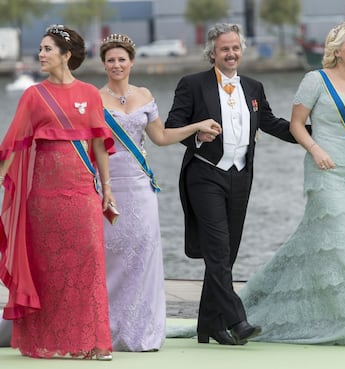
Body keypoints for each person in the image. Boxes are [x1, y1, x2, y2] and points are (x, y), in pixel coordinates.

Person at [238, 22, 345, 345]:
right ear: (337, 52)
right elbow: (296, 125)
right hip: (323, 173)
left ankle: (249, 304)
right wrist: (315, 149)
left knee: (311, 246)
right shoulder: (315, 81)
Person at [164, 23, 302, 346]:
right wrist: (197, 133)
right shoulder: (193, 84)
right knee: (217, 251)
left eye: (235, 48)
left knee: (227, 256)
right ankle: (236, 320)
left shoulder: (253, 87)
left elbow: (272, 123)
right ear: (212, 52)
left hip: (240, 176)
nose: (231, 54)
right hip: (206, 174)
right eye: (225, 49)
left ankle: (208, 326)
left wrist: (311, 133)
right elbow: (173, 125)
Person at [99, 33, 222, 351]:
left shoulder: (144, 95)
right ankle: (108, 328)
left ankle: (141, 332)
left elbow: (162, 137)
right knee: (110, 259)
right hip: (107, 188)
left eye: (121, 59)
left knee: (144, 259)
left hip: (141, 189)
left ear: (131, 62)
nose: (116, 64)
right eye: (110, 60)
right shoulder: (93, 98)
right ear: (103, 64)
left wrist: (196, 126)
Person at [0, 25, 115, 359]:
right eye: (40, 49)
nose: (41, 54)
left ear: (67, 55)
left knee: (90, 263)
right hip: (44, 198)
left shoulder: (91, 93)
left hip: (82, 193)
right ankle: (51, 341)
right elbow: (11, 146)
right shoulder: (33, 96)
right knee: (48, 269)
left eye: (48, 49)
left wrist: (107, 190)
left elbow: (99, 145)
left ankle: (92, 342)